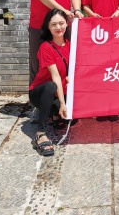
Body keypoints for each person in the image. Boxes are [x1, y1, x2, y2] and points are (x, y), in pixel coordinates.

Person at [28, 9, 73, 156]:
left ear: (67, 24)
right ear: (48, 27)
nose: (58, 27)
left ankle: (55, 113)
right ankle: (40, 134)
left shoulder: (71, 45)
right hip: (40, 92)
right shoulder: (46, 47)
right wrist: (63, 104)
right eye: (54, 24)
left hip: (59, 91)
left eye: (61, 23)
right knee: (51, 86)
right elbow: (55, 77)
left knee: (72, 121)